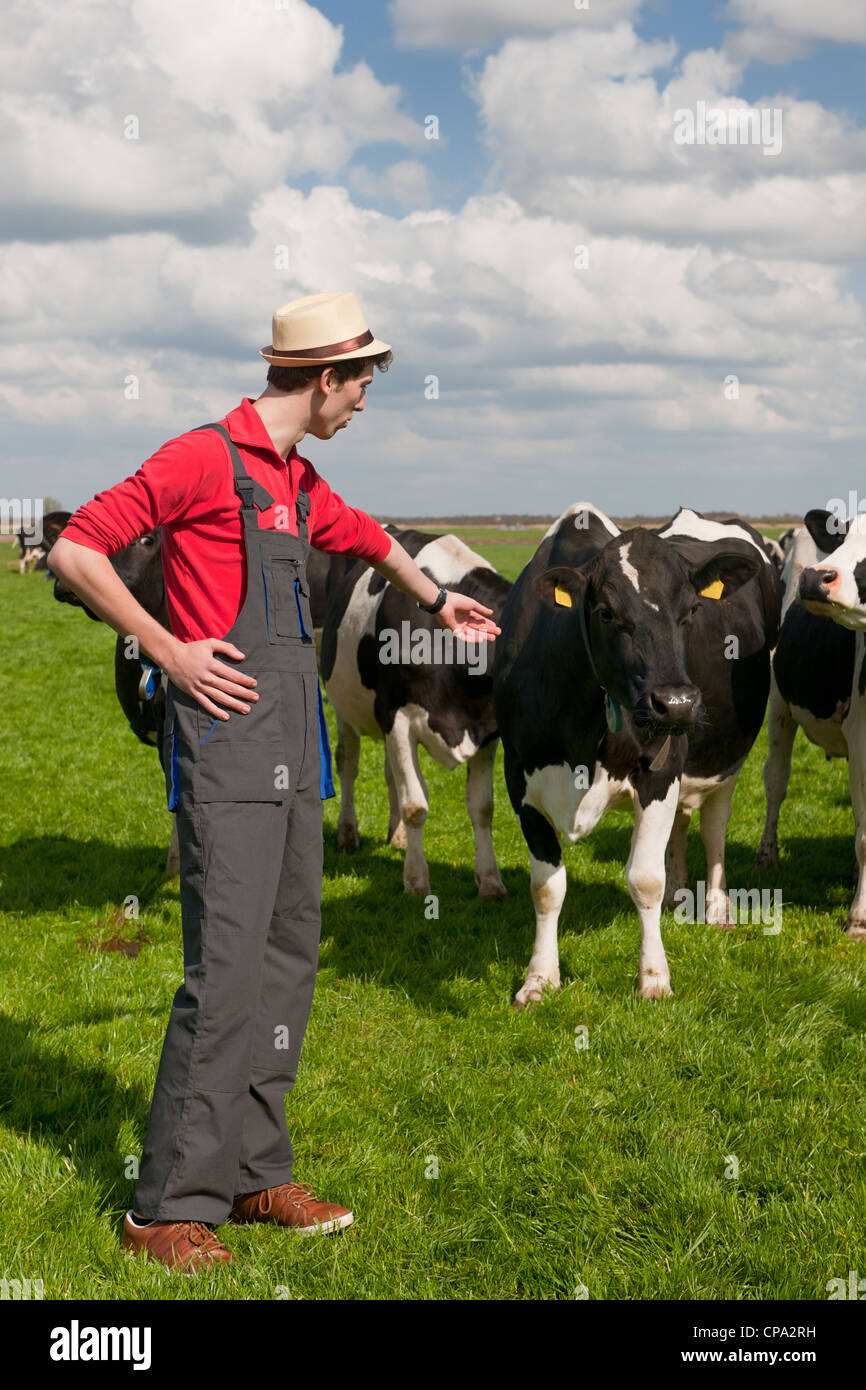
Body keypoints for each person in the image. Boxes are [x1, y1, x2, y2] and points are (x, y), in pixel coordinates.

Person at [50, 291, 500, 1275]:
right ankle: (163, 1205)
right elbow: (77, 546)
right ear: (323, 378)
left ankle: (255, 1170)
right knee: (225, 975)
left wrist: (438, 597)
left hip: (300, 749)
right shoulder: (202, 456)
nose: (366, 401)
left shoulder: (294, 476)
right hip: (226, 746)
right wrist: (167, 648)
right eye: (362, 382)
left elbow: (367, 536)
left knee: (289, 957)